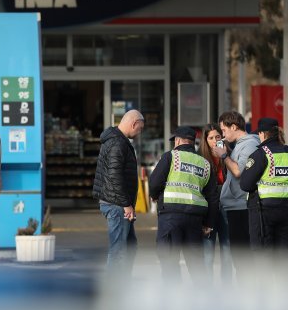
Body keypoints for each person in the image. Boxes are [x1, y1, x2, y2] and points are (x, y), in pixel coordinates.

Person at [148, 126, 218, 284]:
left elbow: (154, 182)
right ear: (193, 142)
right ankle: (202, 300)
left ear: (177, 141)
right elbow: (213, 197)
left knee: (169, 262)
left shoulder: (171, 157)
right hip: (195, 219)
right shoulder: (205, 164)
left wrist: (154, 196)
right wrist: (209, 223)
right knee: (196, 266)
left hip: (171, 216)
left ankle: (174, 300)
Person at [239, 117, 288, 284]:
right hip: (285, 210)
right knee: (283, 254)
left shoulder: (261, 154)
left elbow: (245, 184)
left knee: (262, 254)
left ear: (262, 134)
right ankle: (285, 292)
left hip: (262, 211)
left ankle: (264, 296)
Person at [92, 109, 144, 275]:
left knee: (129, 246)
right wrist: (127, 205)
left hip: (116, 202)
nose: (139, 132)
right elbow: (115, 176)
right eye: (139, 128)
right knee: (119, 249)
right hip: (116, 204)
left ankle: (123, 282)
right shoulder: (118, 143)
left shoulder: (115, 140)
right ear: (134, 123)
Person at [211, 111, 260, 280]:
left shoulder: (249, 145)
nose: (222, 134)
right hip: (234, 205)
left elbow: (239, 171)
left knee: (242, 255)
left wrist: (224, 155)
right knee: (238, 255)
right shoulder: (240, 145)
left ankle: (248, 291)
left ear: (234, 127)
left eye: (224, 130)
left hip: (241, 206)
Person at [198, 123, 232, 284]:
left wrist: (225, 156)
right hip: (208, 208)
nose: (214, 141)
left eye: (217, 137)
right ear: (205, 140)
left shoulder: (228, 154)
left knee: (227, 250)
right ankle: (207, 288)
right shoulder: (201, 158)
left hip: (226, 206)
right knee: (207, 253)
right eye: (210, 138)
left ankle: (226, 287)